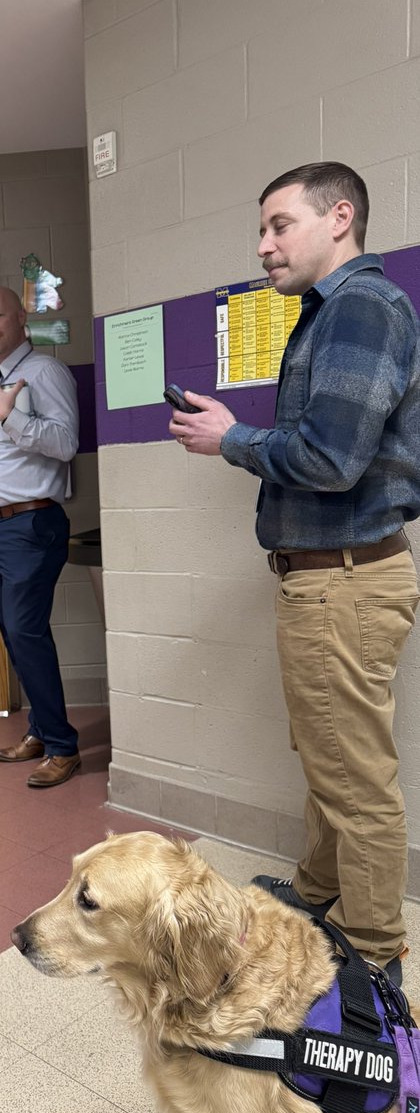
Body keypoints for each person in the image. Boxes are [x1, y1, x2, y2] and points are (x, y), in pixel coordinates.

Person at [168, 162, 420, 986]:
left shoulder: (362, 307)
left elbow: (331, 460)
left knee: (354, 775)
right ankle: (317, 892)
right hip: (330, 579)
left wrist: (231, 439)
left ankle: (374, 953)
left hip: (344, 580)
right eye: (262, 229)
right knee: (328, 753)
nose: (264, 245)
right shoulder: (331, 311)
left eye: (280, 225)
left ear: (340, 217)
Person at [0, 286, 80, 787]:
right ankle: (40, 729)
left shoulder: (44, 372)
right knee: (13, 633)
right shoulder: (4, 380)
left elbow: (66, 442)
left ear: (21, 318)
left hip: (30, 525)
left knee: (24, 631)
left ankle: (62, 747)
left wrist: (10, 417)